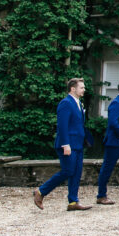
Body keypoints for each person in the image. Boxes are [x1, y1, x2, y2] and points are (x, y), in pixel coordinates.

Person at [33, 78, 92, 211]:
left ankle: (73, 202)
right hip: (68, 144)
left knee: (76, 173)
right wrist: (65, 144)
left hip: (78, 144)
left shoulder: (78, 103)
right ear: (73, 89)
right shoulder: (65, 103)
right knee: (68, 171)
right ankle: (41, 192)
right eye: (81, 87)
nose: (84, 90)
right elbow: (62, 125)